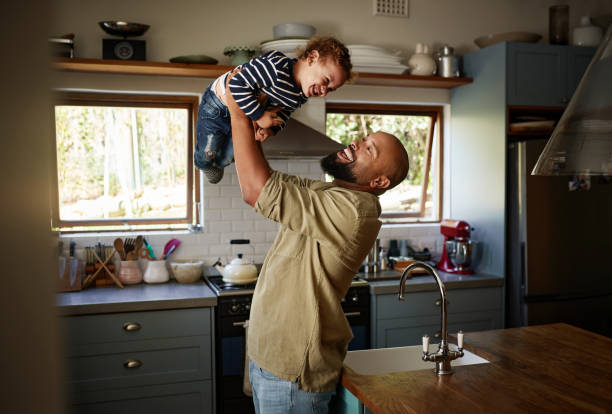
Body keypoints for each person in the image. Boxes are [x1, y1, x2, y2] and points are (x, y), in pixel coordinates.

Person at [224, 69, 410, 412]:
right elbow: (269, 181)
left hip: (294, 368)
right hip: (272, 357)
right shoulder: (333, 193)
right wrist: (254, 123)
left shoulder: (355, 210)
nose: (355, 142)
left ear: (380, 180)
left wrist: (237, 109)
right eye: (364, 138)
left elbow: (256, 191)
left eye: (369, 148)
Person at [194, 36, 352, 184]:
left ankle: (219, 162)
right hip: (217, 106)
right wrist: (260, 115)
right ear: (312, 58)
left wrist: (271, 130)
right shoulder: (276, 67)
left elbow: (283, 113)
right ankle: (202, 163)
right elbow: (235, 84)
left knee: (229, 157)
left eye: (330, 90)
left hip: (240, 115)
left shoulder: (299, 95)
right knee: (208, 150)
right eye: (326, 80)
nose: (324, 92)